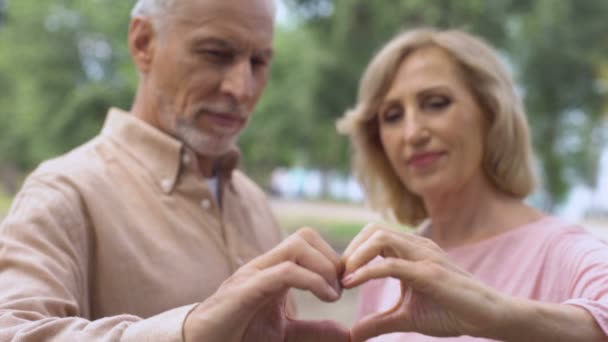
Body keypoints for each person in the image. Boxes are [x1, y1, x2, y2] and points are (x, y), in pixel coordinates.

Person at [0, 0, 349, 341]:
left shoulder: (253, 202)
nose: (241, 88)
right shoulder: (64, 193)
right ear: (143, 43)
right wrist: (187, 331)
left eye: (258, 62)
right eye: (216, 54)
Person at [337, 28, 608, 341]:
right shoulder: (388, 264)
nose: (412, 133)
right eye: (393, 115)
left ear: (491, 112)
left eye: (436, 103)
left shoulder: (561, 250)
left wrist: (496, 315)